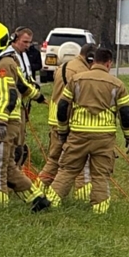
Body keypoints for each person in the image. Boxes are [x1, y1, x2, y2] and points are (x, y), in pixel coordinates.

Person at [48, 47, 129, 214]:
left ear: (93, 61)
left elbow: (63, 107)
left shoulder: (76, 80)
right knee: (100, 175)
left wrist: (63, 131)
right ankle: (99, 211)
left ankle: (51, 203)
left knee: (67, 170)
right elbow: (126, 114)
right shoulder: (117, 84)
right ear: (109, 63)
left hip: (78, 134)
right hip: (104, 137)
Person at [0, 21, 49, 211]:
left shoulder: (3, 64)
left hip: (4, 123)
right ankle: (37, 198)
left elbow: (8, 95)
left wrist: (1, 120)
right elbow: (24, 86)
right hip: (2, 121)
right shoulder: (2, 60)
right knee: (8, 165)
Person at [37, 44, 94, 192]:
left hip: (55, 119)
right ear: (90, 58)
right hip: (71, 121)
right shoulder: (82, 72)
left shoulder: (62, 67)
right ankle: (82, 196)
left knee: (53, 159)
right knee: (81, 160)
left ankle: (38, 190)